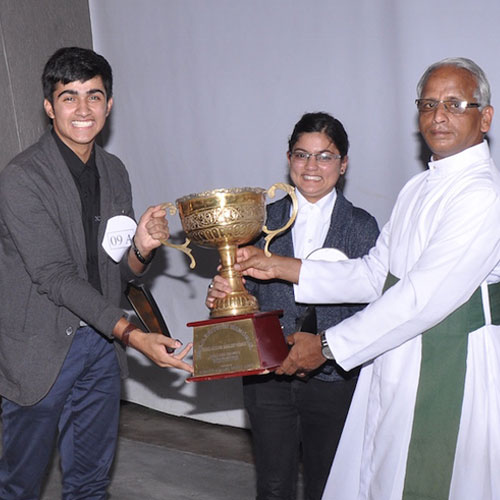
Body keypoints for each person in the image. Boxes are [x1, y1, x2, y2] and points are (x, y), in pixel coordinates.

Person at [235, 58, 500, 500]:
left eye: (454, 104)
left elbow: (422, 298)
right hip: (399, 356)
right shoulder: (419, 187)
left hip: (451, 364)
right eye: (428, 104)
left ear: (485, 117)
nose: (438, 115)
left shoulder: (482, 194)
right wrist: (282, 267)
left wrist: (326, 346)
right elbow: (376, 273)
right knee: (383, 476)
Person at [0, 47, 192, 499]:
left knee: (90, 484)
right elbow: (55, 276)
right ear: (49, 107)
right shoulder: (22, 177)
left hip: (100, 347)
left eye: (94, 95)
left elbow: (115, 273)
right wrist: (134, 336)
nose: (83, 109)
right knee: (19, 485)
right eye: (69, 97)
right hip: (40, 349)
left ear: (109, 104)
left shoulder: (114, 171)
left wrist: (142, 248)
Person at [207, 112, 379, 500]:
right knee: (272, 486)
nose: (312, 166)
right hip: (268, 375)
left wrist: (328, 345)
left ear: (343, 164)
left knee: (329, 486)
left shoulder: (362, 226)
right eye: (302, 155)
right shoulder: (258, 220)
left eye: (325, 156)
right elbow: (245, 292)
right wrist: (224, 293)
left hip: (335, 377)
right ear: (289, 160)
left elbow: (372, 308)